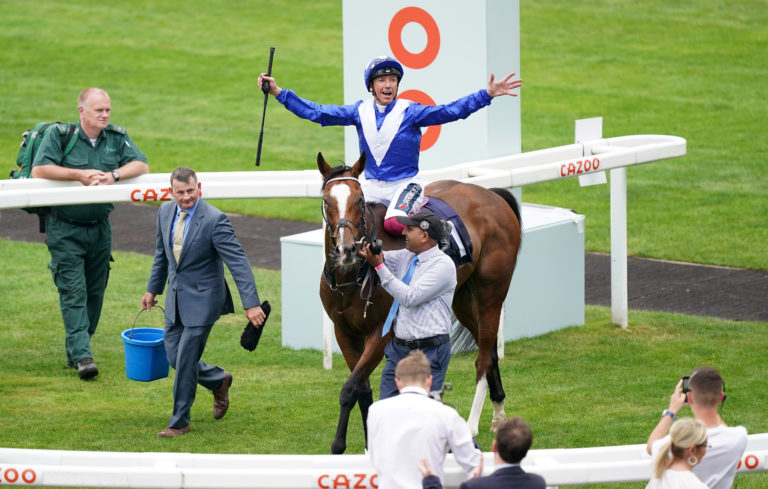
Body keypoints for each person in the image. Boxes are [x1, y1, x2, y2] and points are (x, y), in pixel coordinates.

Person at [258, 56, 521, 240]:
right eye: (382, 81)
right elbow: (318, 113)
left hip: (405, 185)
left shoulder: (411, 110)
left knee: (394, 223)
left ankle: (437, 239)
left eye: (393, 80)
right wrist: (279, 92)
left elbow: (450, 112)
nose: (388, 85)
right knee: (348, 222)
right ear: (371, 86)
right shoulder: (359, 111)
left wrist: (485, 95)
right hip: (372, 185)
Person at [31, 87, 148, 380]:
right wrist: (79, 175)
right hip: (64, 228)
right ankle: (83, 357)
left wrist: (114, 175)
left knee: (96, 293)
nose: (105, 115)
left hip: (100, 229)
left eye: (107, 110)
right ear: (82, 111)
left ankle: (78, 348)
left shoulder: (116, 137)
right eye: (99, 110)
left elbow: (141, 164)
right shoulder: (59, 135)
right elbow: (40, 169)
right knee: (73, 292)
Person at [141, 167, 267, 438]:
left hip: (204, 300)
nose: (186, 197)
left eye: (190, 190)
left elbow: (238, 262)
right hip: (175, 300)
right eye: (180, 192)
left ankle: (179, 422)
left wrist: (251, 303)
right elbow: (161, 255)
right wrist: (152, 290)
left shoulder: (215, 220)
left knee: (185, 360)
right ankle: (218, 380)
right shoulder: (164, 212)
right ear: (170, 192)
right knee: (174, 356)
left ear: (199, 187)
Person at [358, 208, 456, 400]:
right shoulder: (407, 256)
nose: (403, 233)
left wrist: (379, 267)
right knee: (387, 410)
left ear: (424, 235)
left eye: (409, 229)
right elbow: (382, 256)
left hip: (430, 352)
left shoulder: (443, 266)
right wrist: (362, 249)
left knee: (423, 416)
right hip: (398, 350)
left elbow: (410, 298)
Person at [367, 350, 481, 489]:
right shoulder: (446, 414)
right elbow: (473, 462)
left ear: (397, 382)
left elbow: (374, 457)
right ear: (429, 380)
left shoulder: (376, 411)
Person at [646, 367, 748, 489]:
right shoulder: (739, 438)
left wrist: (671, 411)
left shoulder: (674, 444)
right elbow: (723, 429)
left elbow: (651, 446)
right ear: (721, 397)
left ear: (689, 397)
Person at [419, 417, 547, 489]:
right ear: (525, 450)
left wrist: (431, 483)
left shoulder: (475, 486)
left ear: (494, 446)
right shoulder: (538, 483)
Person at [646, 417, 709, 489]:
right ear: (692, 450)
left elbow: (653, 444)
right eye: (705, 445)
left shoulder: (659, 468)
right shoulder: (696, 486)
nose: (705, 450)